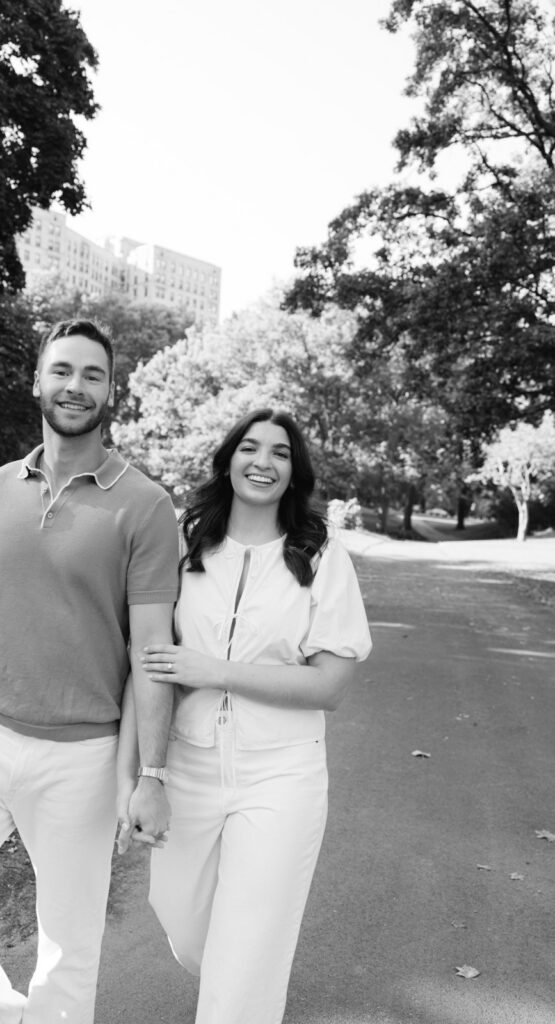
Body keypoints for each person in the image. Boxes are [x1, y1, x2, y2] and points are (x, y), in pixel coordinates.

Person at [0, 319, 179, 1024]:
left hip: (81, 758)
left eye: (92, 375)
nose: (75, 386)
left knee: (66, 956)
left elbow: (151, 654)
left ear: (112, 392)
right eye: (62, 370)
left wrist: (149, 774)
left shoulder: (145, 506)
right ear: (37, 381)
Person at [118, 407, 372, 1024]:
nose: (264, 462)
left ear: (294, 472)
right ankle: (237, 980)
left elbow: (330, 685)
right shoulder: (185, 548)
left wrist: (218, 671)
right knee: (183, 921)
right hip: (190, 766)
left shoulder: (322, 556)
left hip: (281, 775)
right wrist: (135, 781)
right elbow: (146, 667)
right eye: (251, 448)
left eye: (281, 453)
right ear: (228, 461)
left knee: (249, 950)